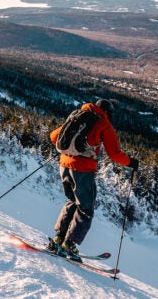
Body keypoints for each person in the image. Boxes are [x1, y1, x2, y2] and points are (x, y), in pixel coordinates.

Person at [47, 99, 139, 262]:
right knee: (85, 208)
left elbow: (54, 136)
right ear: (108, 112)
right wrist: (131, 162)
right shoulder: (104, 125)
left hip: (64, 165)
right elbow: (114, 154)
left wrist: (70, 151)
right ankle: (70, 244)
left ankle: (58, 240)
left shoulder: (78, 116)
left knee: (72, 201)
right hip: (82, 169)